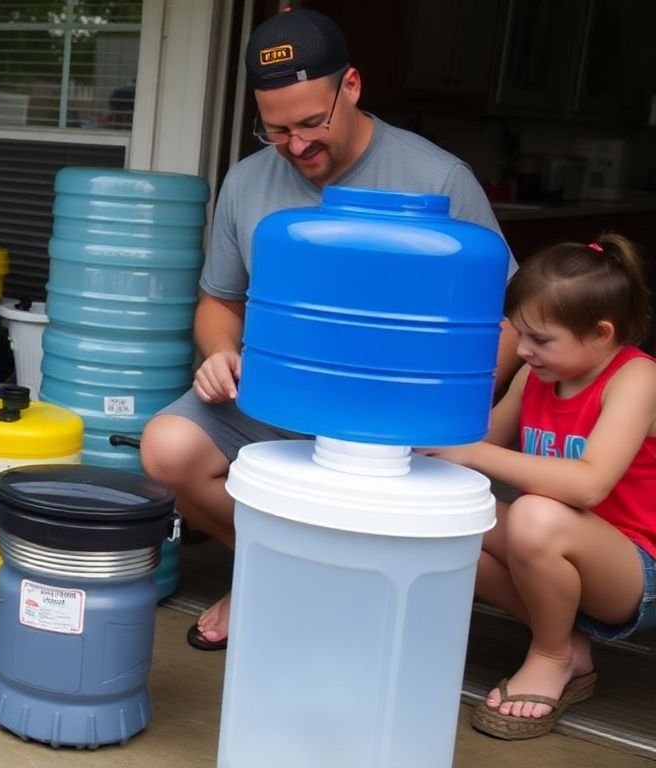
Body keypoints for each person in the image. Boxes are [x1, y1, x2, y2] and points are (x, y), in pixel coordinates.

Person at [137, 7, 522, 651]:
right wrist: (220, 351)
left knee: (446, 523)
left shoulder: (438, 179)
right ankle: (277, 572)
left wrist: (442, 410)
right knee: (168, 448)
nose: (296, 146)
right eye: (276, 130)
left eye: (312, 123)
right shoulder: (248, 181)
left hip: (393, 417)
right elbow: (217, 302)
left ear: (351, 87)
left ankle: (551, 634)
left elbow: (510, 320)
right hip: (276, 399)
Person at [422, 234, 656, 739]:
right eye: (519, 333)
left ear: (600, 334)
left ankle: (550, 654)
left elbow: (590, 484)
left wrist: (473, 453)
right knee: (449, 516)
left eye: (541, 339)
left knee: (534, 513)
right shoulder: (537, 376)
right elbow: (475, 439)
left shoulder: (635, 379)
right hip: (556, 547)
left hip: (634, 569)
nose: (523, 350)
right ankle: (568, 643)